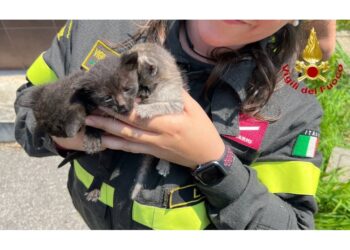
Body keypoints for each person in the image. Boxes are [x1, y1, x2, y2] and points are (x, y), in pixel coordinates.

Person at [14, 20, 324, 229]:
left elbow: (291, 228)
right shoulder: (96, 24)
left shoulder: (294, 107)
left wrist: (215, 163)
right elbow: (26, 106)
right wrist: (62, 135)